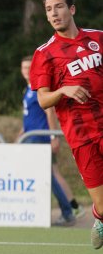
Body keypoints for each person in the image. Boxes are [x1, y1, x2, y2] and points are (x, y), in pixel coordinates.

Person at [29, 0, 102, 247]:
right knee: (102, 205)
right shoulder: (44, 54)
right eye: (49, 10)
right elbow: (43, 99)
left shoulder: (98, 39)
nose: (54, 13)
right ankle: (99, 216)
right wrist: (64, 90)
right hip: (81, 136)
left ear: (71, 9)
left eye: (58, 7)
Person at [19, 55, 83, 226]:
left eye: (28, 67)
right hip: (30, 137)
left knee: (49, 175)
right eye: (23, 68)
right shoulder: (27, 89)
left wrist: (54, 135)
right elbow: (29, 117)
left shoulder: (39, 87)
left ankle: (69, 211)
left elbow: (50, 112)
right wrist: (20, 134)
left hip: (39, 138)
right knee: (51, 173)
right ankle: (71, 207)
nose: (25, 71)